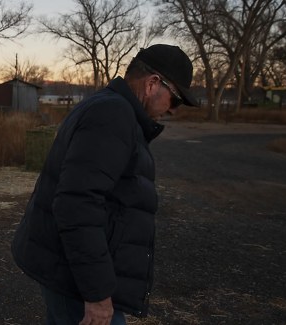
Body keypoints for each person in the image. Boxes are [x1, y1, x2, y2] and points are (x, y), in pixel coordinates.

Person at [11, 44, 198, 325]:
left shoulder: (109, 106)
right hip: (75, 281)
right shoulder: (113, 116)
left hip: (72, 272)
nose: (173, 111)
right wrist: (97, 294)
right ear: (153, 84)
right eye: (176, 100)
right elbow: (77, 204)